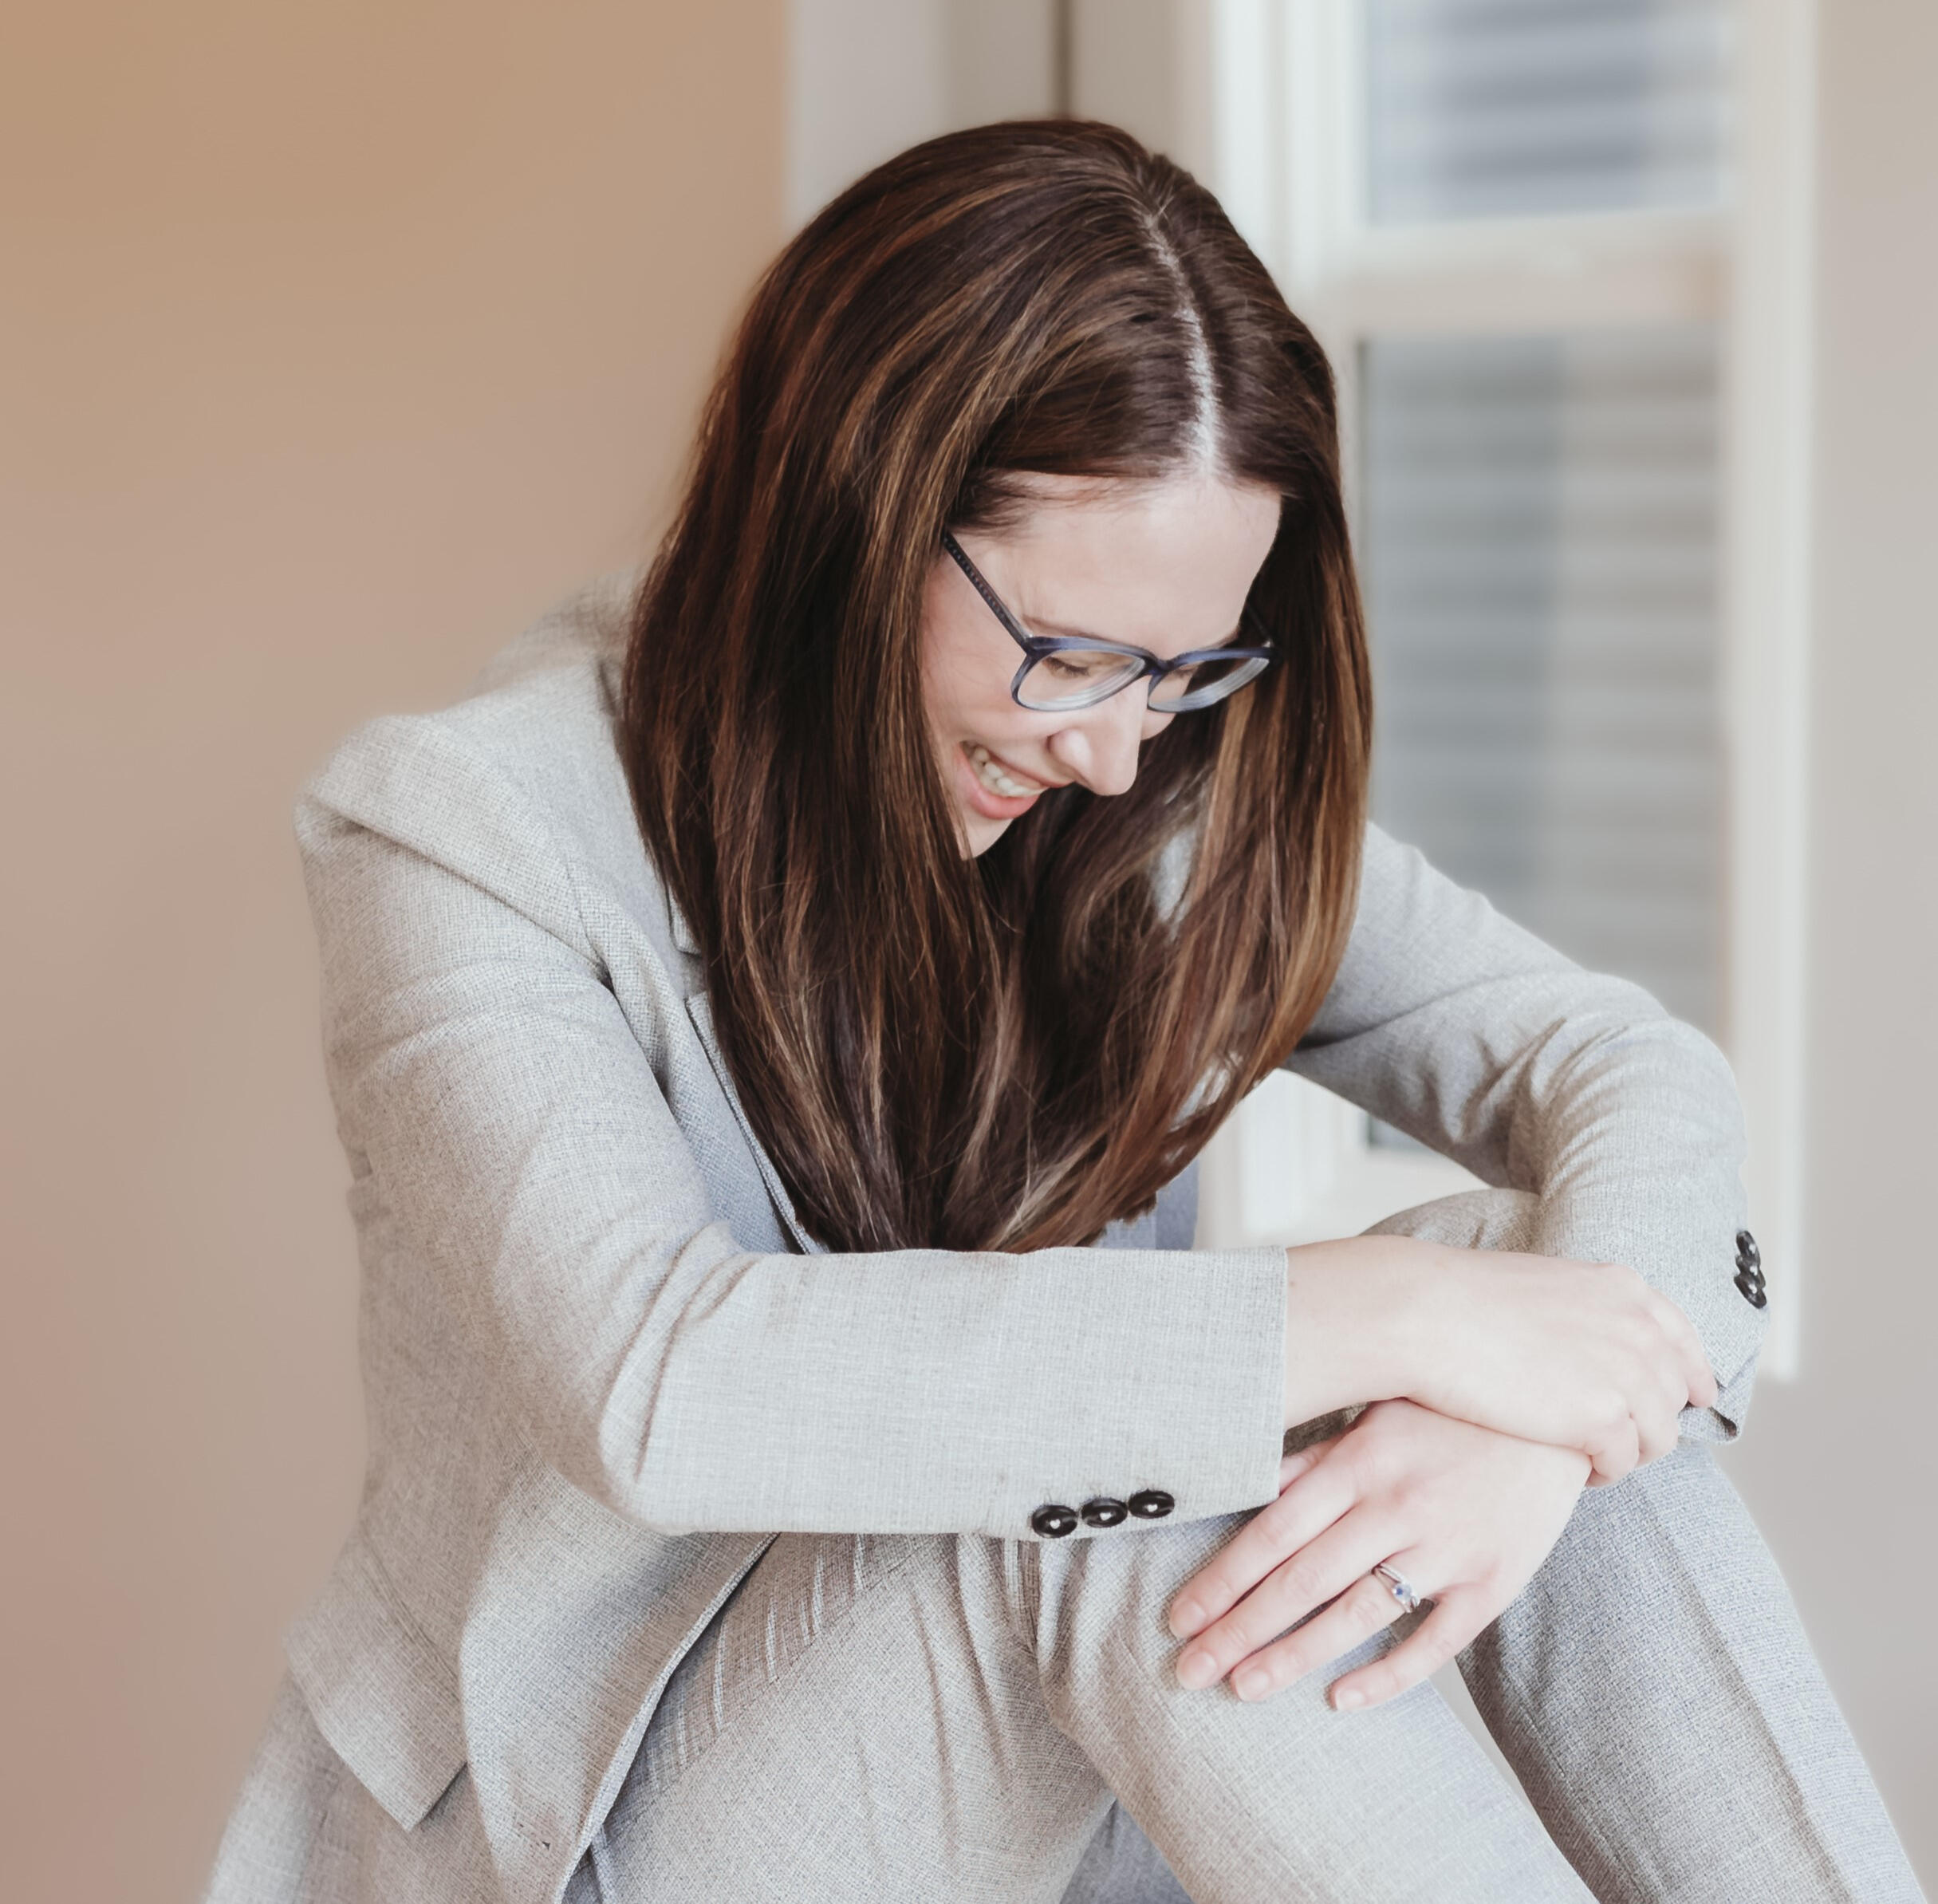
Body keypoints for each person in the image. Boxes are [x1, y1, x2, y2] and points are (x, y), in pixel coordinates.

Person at [201, 120, 1922, 1904]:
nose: (1112, 752)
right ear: (850, 519)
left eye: (1185, 674)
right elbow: (666, 1387)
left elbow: (1616, 1061)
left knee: (1528, 1286)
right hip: (610, 1809)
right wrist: (1370, 1309)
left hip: (1038, 1768)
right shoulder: (466, 835)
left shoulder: (1137, 794)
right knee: (1161, 1432)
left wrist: (1532, 1423)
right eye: (1074, 657)